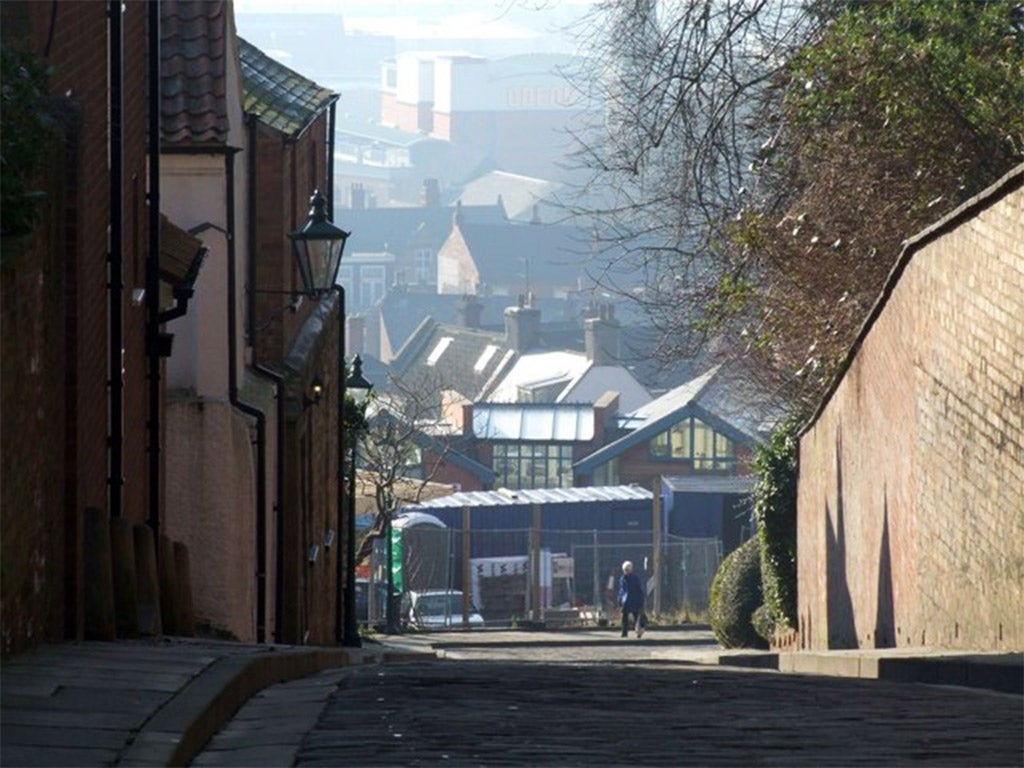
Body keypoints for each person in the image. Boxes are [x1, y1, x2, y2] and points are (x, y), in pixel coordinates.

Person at [618, 560, 646, 638]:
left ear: (631, 570)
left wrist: (641, 600)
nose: (626, 571)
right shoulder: (622, 579)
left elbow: (639, 590)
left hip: (634, 600)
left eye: (627, 570)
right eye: (625, 570)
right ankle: (624, 633)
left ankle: (639, 631)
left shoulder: (635, 578)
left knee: (637, 617)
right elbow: (622, 590)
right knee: (624, 618)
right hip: (626, 601)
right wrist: (620, 599)